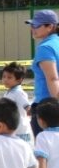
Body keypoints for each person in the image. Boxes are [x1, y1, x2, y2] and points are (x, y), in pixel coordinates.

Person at [27, 10, 59, 139]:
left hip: (48, 108)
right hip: (47, 103)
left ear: (50, 26)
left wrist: (55, 107)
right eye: (32, 25)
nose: (32, 29)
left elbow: (52, 78)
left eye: (37, 25)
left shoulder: (45, 48)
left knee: (45, 153)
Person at [0, 62, 33, 143]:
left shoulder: (19, 93)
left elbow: (27, 107)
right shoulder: (9, 92)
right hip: (11, 128)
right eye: (4, 77)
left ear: (19, 79)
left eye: (9, 77)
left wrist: (30, 111)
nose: (5, 80)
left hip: (20, 130)